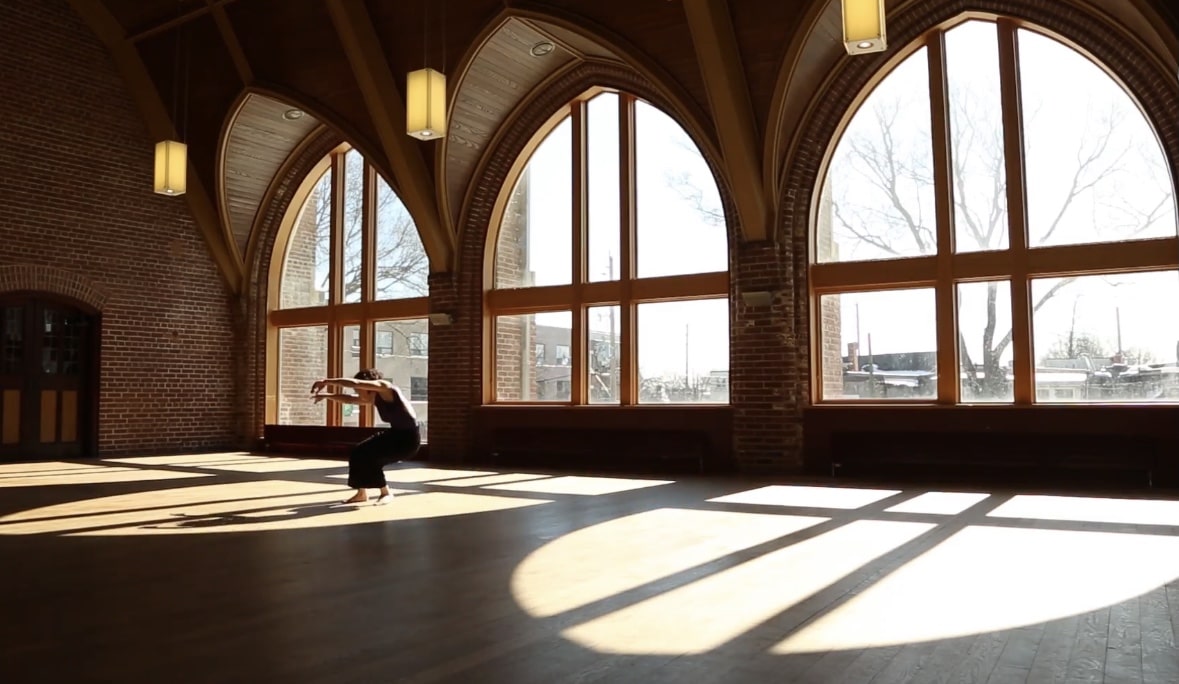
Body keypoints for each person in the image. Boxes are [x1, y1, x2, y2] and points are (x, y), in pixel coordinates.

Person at [310, 369, 421, 505]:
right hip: (395, 434)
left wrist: (326, 381)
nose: (357, 393)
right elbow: (350, 400)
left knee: (372, 457)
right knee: (358, 452)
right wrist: (327, 395)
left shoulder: (385, 388)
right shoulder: (374, 398)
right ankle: (361, 493)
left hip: (407, 440)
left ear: (367, 386)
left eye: (359, 390)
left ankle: (386, 493)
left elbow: (355, 383)